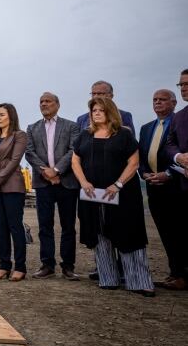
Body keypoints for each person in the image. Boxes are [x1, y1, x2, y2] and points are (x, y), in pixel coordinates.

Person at [72, 97, 154, 297]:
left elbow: (134, 163)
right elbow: (75, 161)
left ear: (110, 112)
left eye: (101, 110)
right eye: (94, 110)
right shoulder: (84, 136)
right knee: (100, 234)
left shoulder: (123, 135)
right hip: (93, 195)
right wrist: (83, 182)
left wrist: (118, 184)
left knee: (129, 235)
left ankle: (139, 281)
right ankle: (108, 278)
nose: (97, 113)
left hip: (122, 194)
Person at [25, 93, 81, 280]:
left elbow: (74, 150)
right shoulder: (32, 128)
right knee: (44, 226)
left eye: (48, 101)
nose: (44, 104)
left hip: (66, 182)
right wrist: (46, 172)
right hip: (43, 184)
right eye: (41, 101)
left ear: (58, 104)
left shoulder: (71, 126)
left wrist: (56, 170)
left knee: (68, 226)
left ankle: (68, 266)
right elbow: (30, 153)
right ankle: (47, 264)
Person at [140, 89, 183, 290]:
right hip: (153, 187)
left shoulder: (180, 123)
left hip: (177, 186)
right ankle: (176, 273)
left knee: (180, 231)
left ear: (173, 103)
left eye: (163, 99)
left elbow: (179, 152)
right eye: (155, 99)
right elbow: (141, 157)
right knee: (165, 232)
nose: (158, 102)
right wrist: (145, 174)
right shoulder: (147, 128)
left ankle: (181, 274)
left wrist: (168, 174)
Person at [0, 103, 28, 282]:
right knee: (0, 228)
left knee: (15, 227)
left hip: (12, 186)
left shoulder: (20, 135)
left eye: (2, 114)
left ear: (11, 116)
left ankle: (20, 267)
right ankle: (4, 266)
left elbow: (14, 160)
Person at [166, 69, 188, 191]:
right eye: (181, 85)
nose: (183, 88)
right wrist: (178, 156)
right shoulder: (178, 116)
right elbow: (170, 144)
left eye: (187, 84)